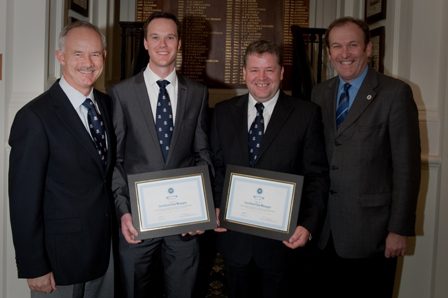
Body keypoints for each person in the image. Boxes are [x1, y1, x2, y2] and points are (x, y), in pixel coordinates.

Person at [311, 17, 421, 298]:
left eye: (352, 45)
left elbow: (406, 168)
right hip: (325, 233)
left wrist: (398, 229)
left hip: (373, 234)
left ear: (368, 49)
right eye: (337, 46)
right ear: (329, 53)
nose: (344, 54)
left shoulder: (395, 93)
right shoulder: (320, 93)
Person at [210, 39, 329, 298]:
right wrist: (216, 206)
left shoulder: (306, 114)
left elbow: (317, 176)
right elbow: (217, 169)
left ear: (281, 72)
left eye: (269, 70)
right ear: (244, 73)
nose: (261, 78)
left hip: (282, 245)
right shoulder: (222, 113)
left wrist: (308, 225)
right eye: (254, 70)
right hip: (235, 241)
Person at [109, 11, 212, 298]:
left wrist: (201, 210)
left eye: (170, 37)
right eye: (155, 37)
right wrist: (123, 211)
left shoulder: (198, 93)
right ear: (145, 43)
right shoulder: (121, 93)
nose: (163, 44)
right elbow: (115, 160)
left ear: (179, 44)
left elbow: (202, 153)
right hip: (137, 223)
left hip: (184, 225)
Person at [8, 21, 115, 298]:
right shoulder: (34, 118)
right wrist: (34, 266)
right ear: (61, 57)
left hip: (105, 254)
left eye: (95, 54)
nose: (88, 63)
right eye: (78, 54)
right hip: (59, 264)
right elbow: (23, 200)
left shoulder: (108, 105)